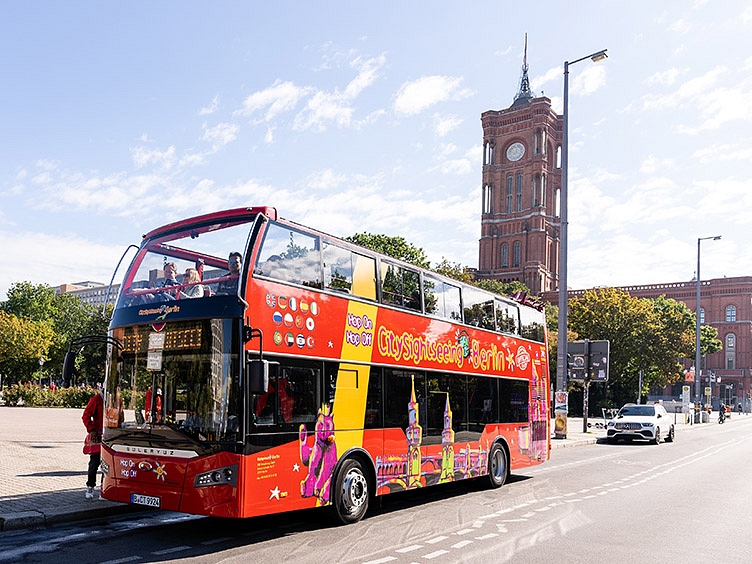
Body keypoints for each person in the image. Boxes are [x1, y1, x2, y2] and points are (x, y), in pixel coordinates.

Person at [82, 388, 104, 499]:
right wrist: (92, 430)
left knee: (107, 465)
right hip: (98, 436)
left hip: (111, 434)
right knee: (94, 463)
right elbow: (86, 415)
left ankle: (104, 488)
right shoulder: (96, 399)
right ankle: (90, 486)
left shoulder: (116, 399)